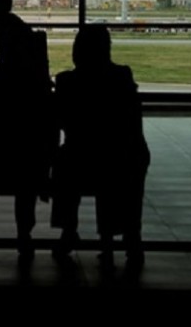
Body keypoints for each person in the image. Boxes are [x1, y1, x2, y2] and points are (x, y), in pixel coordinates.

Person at [50, 24, 150, 269]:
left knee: (66, 163)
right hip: (119, 157)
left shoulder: (66, 82)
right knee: (119, 171)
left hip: (80, 157)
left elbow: (58, 123)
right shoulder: (122, 77)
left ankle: (69, 230)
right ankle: (126, 236)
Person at [0, 0, 57, 262]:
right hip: (30, 136)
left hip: (8, 116)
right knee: (25, 188)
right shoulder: (19, 27)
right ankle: (25, 235)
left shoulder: (4, 27)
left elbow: (0, 48)